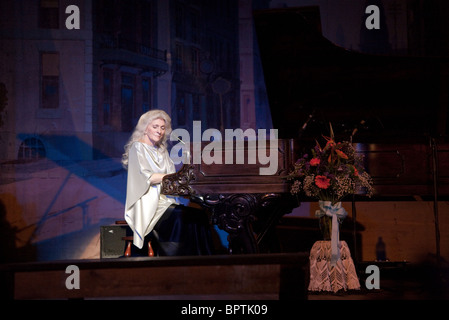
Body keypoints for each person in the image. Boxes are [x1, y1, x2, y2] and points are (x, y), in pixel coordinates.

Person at [122, 109, 214, 256]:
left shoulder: (161, 150)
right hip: (148, 206)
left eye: (162, 128)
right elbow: (148, 177)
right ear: (145, 128)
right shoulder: (137, 148)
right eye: (155, 126)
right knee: (182, 216)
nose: (159, 131)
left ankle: (204, 259)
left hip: (165, 203)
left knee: (199, 215)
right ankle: (175, 259)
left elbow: (173, 177)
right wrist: (173, 176)